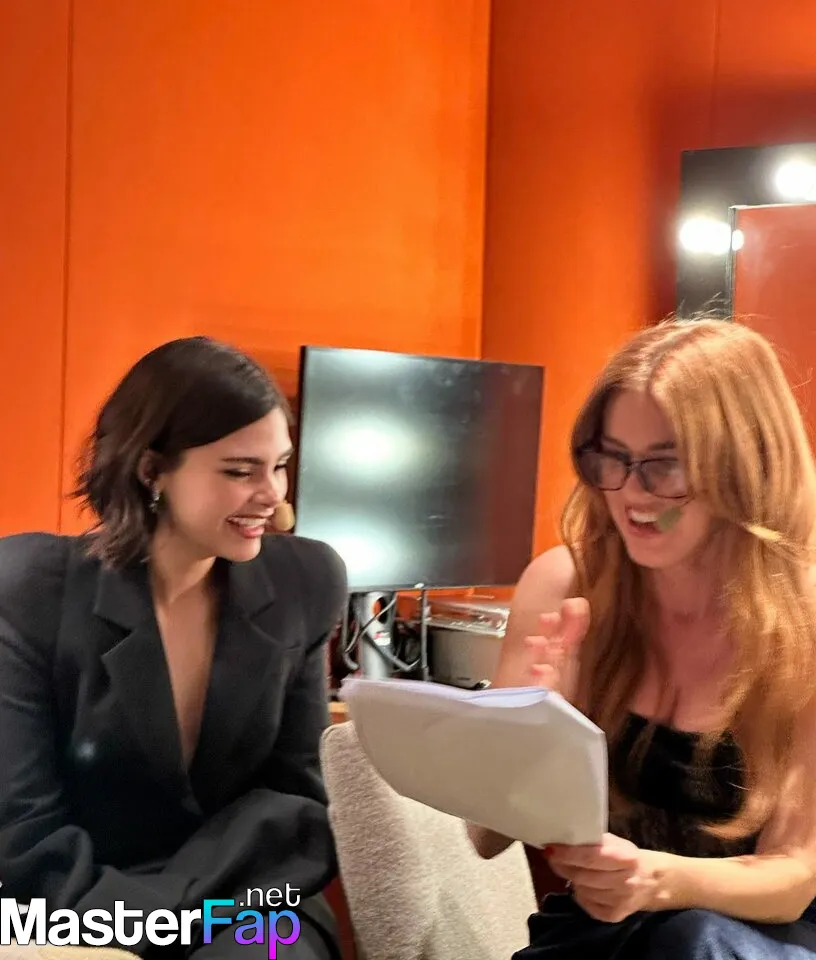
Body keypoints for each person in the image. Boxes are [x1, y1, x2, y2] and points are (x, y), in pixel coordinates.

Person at [468, 318, 816, 959]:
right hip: (605, 931)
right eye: (612, 457)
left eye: (665, 464)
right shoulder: (563, 586)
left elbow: (794, 877)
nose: (630, 493)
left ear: (746, 465)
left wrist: (659, 882)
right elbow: (484, 837)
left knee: (694, 940)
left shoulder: (807, 622)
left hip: (764, 933)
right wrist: (533, 733)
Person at [0, 337, 348, 959]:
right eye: (239, 471)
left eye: (279, 465)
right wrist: (152, 926)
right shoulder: (30, 589)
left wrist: (184, 913)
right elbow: (24, 835)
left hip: (252, 901)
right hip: (74, 905)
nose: (273, 495)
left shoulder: (305, 581)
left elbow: (296, 803)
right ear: (151, 469)